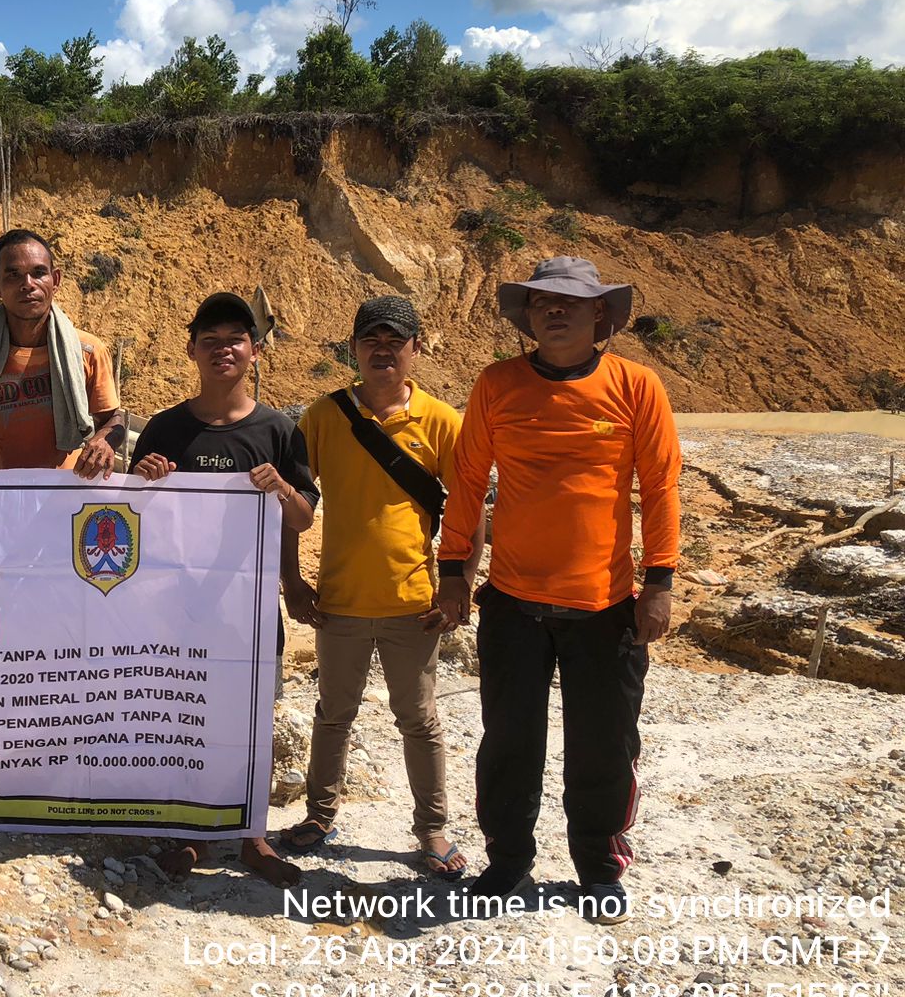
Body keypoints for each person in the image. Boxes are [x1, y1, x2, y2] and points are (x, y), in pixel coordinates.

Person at [434, 256, 681, 926]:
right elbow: (466, 483)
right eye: (543, 301)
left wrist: (659, 582)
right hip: (512, 602)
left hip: (606, 605)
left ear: (600, 313)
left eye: (572, 302)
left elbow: (659, 489)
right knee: (510, 742)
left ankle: (599, 869)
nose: (556, 310)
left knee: (604, 745)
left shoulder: (636, 387)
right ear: (528, 315)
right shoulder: (496, 384)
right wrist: (453, 572)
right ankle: (508, 861)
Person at [278, 296, 483, 880]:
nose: (383, 350)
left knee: (418, 720)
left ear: (416, 347)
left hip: (413, 603)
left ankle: (433, 830)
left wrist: (459, 582)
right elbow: (292, 504)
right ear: (354, 348)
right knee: (331, 713)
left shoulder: (444, 422)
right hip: (339, 600)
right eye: (371, 340)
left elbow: (470, 511)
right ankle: (320, 816)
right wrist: (293, 579)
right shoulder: (322, 417)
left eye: (396, 341)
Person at [129, 292, 320, 888]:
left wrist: (283, 491)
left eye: (234, 339)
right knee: (185, 718)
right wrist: (143, 481)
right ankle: (190, 831)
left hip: (252, 612)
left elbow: (305, 517)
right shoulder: (164, 428)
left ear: (254, 351)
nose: (223, 350)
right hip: (179, 612)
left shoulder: (278, 431)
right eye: (209, 340)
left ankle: (251, 835)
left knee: (253, 719)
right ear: (191, 350)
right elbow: (129, 517)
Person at [0, 228, 123, 480]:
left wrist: (105, 442)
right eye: (14, 275)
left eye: (39, 273)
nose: (28, 284)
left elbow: (113, 419)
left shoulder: (86, 351)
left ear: (56, 280)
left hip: (68, 493)